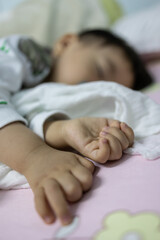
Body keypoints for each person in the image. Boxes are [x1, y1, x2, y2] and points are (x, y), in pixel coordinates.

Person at [1, 28, 150, 227]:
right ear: (66, 43)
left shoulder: (44, 99)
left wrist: (59, 130)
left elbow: (19, 113)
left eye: (104, 88)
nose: (94, 88)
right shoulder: (27, 54)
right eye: (99, 71)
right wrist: (34, 156)